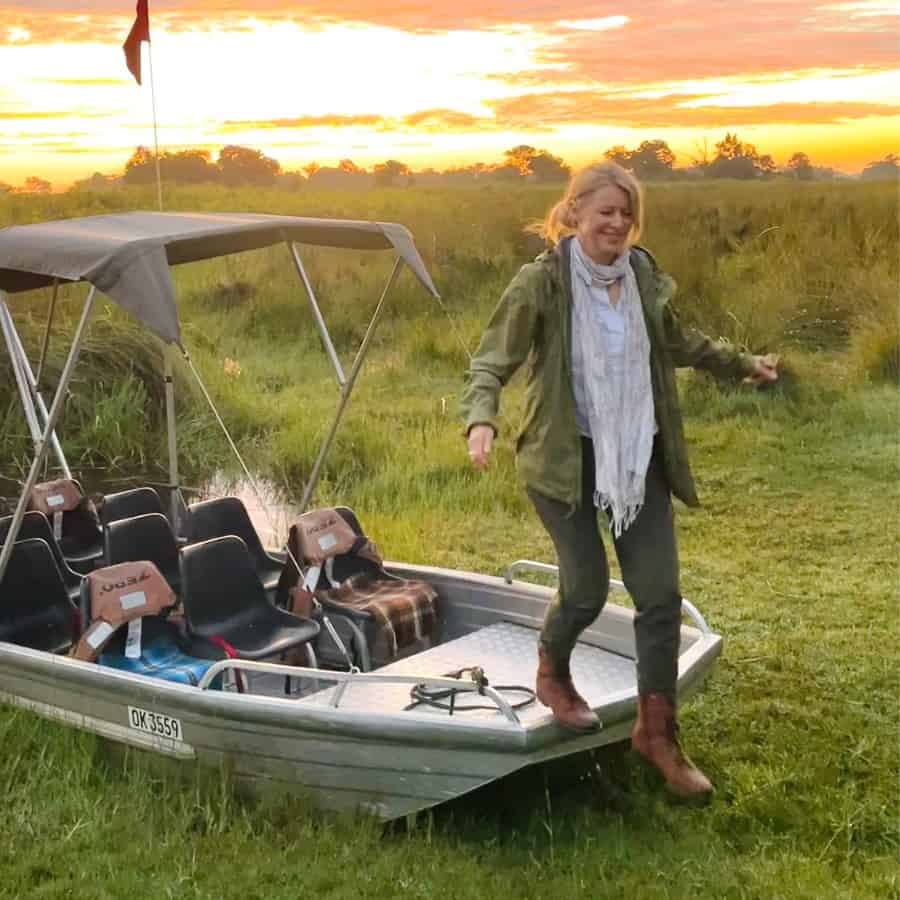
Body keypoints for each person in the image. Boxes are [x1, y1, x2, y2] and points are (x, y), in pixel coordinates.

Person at [460, 162, 778, 801]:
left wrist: (745, 365)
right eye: (605, 211)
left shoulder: (641, 276)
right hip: (563, 463)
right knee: (583, 589)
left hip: (637, 457)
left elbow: (680, 341)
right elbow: (491, 360)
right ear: (574, 212)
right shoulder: (541, 282)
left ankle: (657, 733)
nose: (617, 224)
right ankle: (552, 673)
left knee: (659, 595)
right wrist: (480, 420)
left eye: (627, 214)